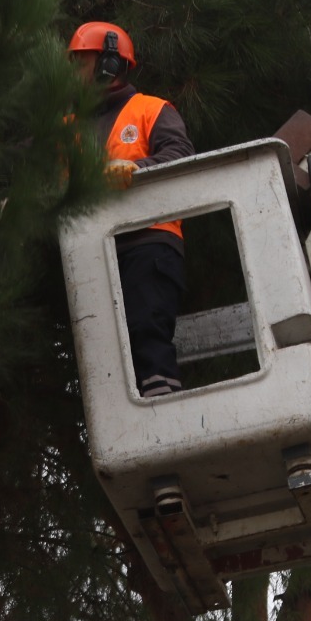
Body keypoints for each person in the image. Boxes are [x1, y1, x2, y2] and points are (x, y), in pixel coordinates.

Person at [69, 21, 195, 399]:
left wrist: (136, 169)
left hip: (149, 241)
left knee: (147, 328)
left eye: (80, 62)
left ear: (109, 63)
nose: (71, 73)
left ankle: (164, 407)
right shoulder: (66, 128)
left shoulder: (151, 110)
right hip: (91, 252)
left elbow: (180, 155)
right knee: (101, 350)